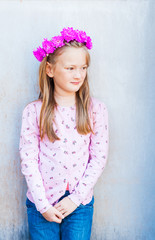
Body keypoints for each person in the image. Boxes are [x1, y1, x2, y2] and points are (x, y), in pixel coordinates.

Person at [19, 27, 109, 240]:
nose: (78, 74)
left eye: (83, 68)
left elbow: (98, 158)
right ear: (50, 70)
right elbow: (28, 160)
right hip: (42, 203)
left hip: (80, 204)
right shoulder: (34, 111)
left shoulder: (95, 110)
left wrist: (75, 199)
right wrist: (42, 205)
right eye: (70, 68)